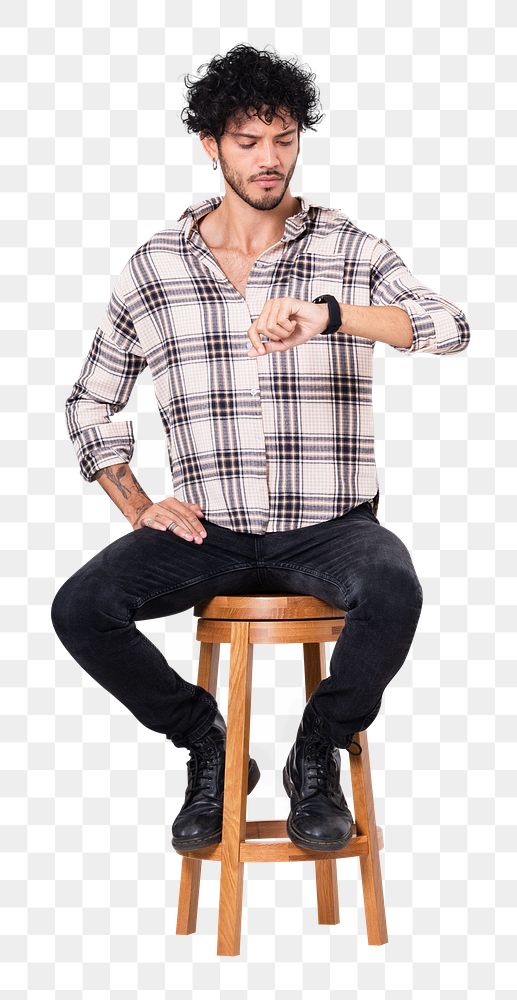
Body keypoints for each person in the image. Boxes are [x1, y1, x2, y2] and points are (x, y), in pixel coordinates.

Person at [51, 43, 470, 855]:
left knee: (392, 587)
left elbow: (450, 327)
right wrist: (139, 507)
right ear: (211, 145)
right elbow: (91, 403)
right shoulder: (155, 268)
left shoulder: (346, 248)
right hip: (211, 532)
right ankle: (207, 747)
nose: (268, 159)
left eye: (282, 139)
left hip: (331, 524)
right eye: (247, 141)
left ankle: (317, 754)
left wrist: (331, 314)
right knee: (80, 609)